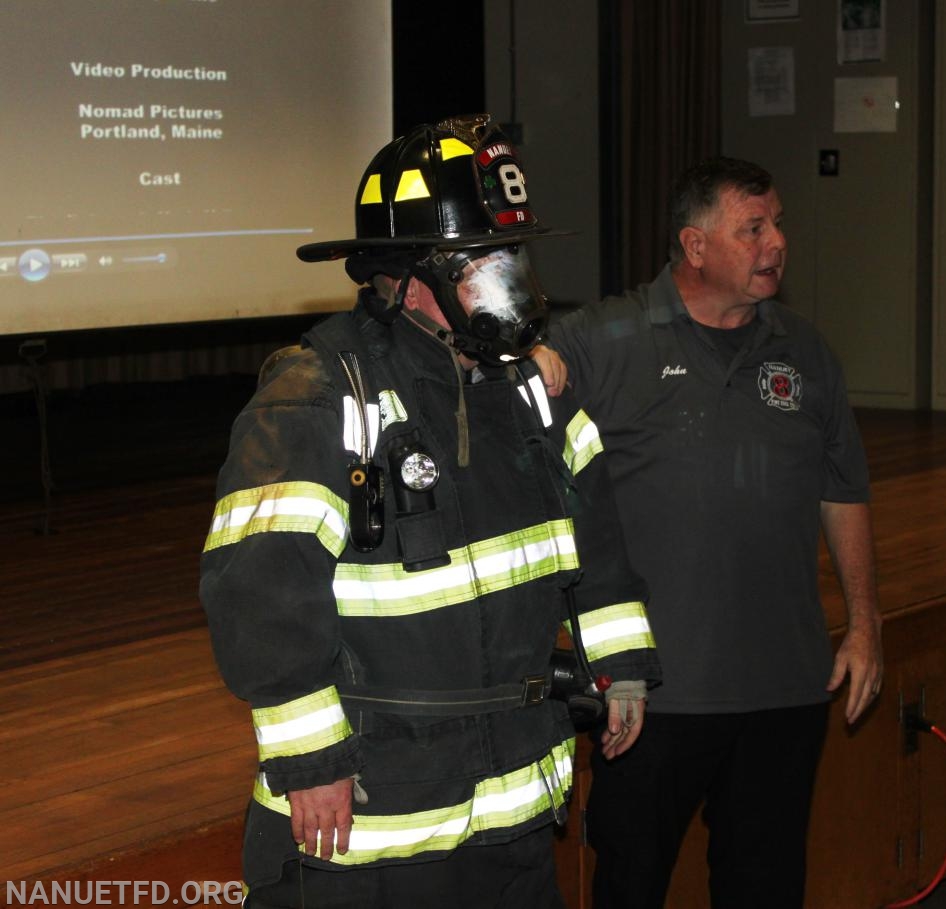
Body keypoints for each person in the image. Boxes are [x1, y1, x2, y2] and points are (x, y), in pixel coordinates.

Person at [199, 114, 661, 909]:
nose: (511, 283)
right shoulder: (317, 394)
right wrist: (310, 761)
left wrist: (623, 668)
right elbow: (260, 592)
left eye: (514, 257)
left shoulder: (530, 390)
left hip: (514, 812)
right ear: (416, 276)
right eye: (487, 262)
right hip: (370, 833)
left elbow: (598, 537)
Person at [532, 156, 883, 909]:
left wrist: (864, 625)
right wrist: (530, 362)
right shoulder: (606, 339)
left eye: (778, 223)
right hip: (654, 698)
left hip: (786, 691)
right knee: (630, 887)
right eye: (752, 228)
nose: (777, 242)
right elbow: (518, 405)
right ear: (694, 247)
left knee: (766, 890)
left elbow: (842, 490)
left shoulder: (805, 352)